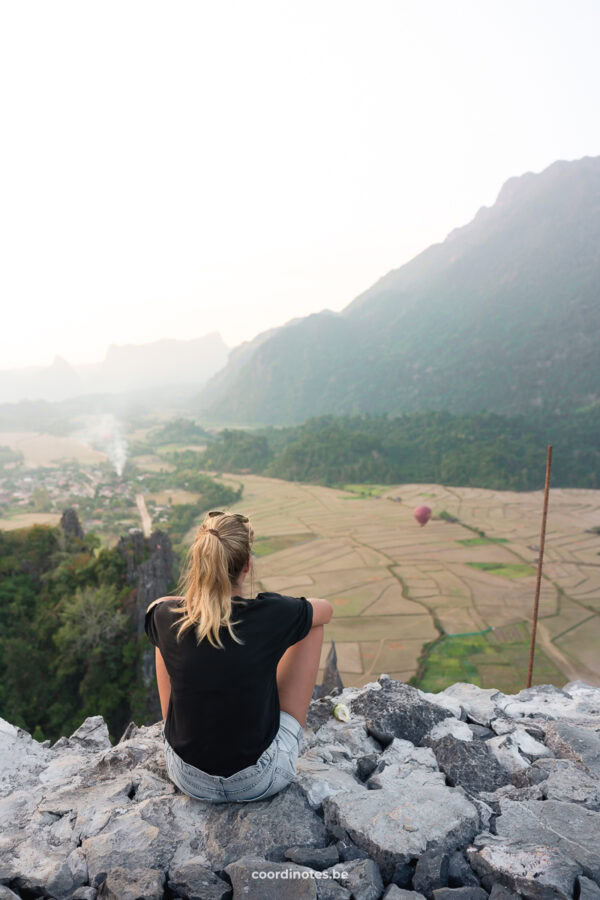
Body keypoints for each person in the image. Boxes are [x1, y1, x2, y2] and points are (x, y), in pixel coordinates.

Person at [144, 509, 333, 803]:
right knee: (310, 625)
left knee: (164, 633)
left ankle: (174, 726)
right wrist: (287, 610)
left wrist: (198, 602)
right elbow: (326, 609)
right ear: (247, 565)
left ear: (200, 563)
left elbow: (156, 605)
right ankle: (286, 726)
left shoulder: (166, 616)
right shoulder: (271, 614)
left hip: (187, 777)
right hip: (258, 780)